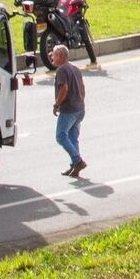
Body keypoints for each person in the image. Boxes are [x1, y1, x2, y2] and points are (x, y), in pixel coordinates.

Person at [51, 44, 87, 179]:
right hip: (79, 108)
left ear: (60, 56)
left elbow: (64, 89)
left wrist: (56, 104)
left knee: (60, 136)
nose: (51, 56)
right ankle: (75, 167)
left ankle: (78, 161)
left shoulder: (62, 70)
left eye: (53, 54)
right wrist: (81, 100)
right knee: (73, 137)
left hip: (69, 109)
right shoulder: (75, 68)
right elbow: (83, 87)